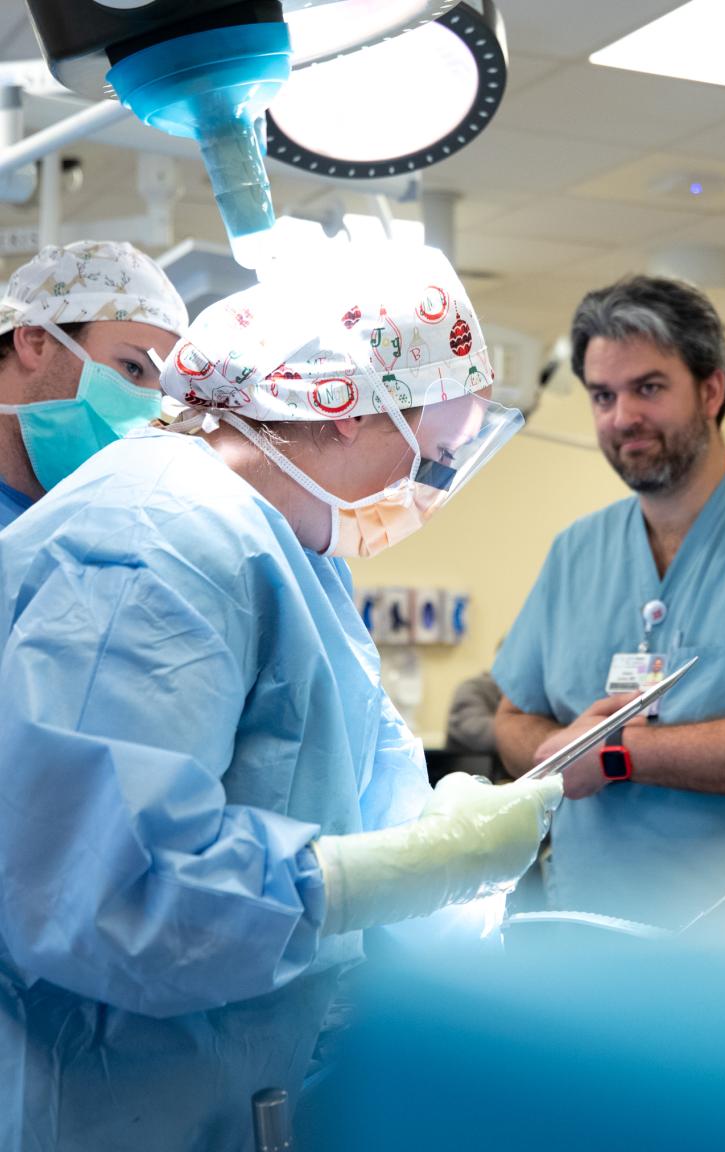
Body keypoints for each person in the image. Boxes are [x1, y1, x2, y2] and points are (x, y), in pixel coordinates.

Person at [0, 243, 561, 1151]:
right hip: (114, 1101)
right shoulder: (153, 541)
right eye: (430, 460)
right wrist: (418, 867)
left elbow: (356, 789)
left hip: (243, 1083)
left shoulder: (292, 550)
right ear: (343, 409)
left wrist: (443, 860)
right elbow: (106, 889)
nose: (424, 496)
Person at [493, 275, 725, 927]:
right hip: (582, 934)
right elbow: (511, 719)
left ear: (711, 390)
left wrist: (618, 756)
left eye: (648, 388)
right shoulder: (576, 551)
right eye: (603, 396)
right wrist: (560, 747)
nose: (622, 417)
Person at [0, 240, 187, 528]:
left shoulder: (81, 531)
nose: (151, 414)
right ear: (36, 341)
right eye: (133, 368)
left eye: (162, 392)